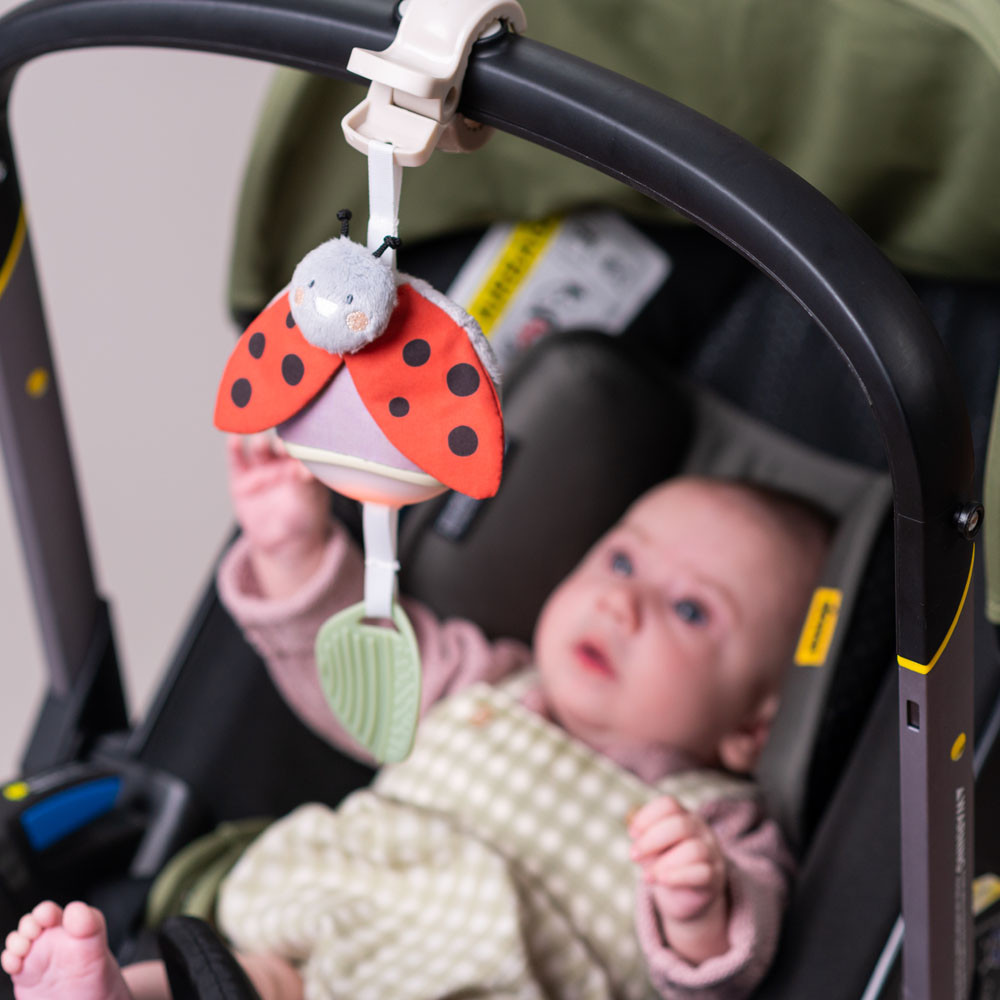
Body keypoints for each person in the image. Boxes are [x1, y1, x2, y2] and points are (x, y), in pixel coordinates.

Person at [2, 435, 831, 1000]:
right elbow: (353, 663)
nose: (624, 603)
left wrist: (695, 908)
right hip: (342, 920)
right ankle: (114, 990)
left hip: (494, 981)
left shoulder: (718, 824)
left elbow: (731, 961)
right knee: (252, 978)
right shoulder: (485, 680)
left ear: (751, 729)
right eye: (621, 561)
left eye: (690, 611)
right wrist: (293, 549)